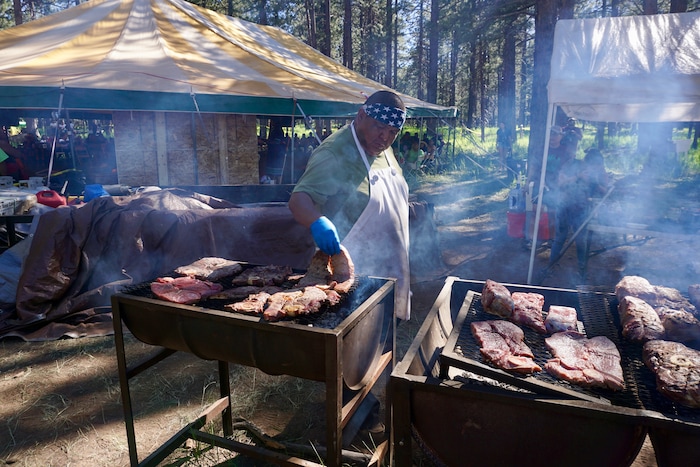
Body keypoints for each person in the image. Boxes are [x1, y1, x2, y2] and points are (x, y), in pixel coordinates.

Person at [288, 90, 409, 435]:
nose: (384, 138)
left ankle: (368, 406)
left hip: (388, 263)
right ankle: (348, 423)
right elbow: (299, 200)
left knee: (381, 342)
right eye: (379, 128)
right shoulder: (335, 152)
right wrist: (317, 222)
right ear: (360, 115)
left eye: (392, 133)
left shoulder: (381, 148)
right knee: (354, 350)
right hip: (354, 268)